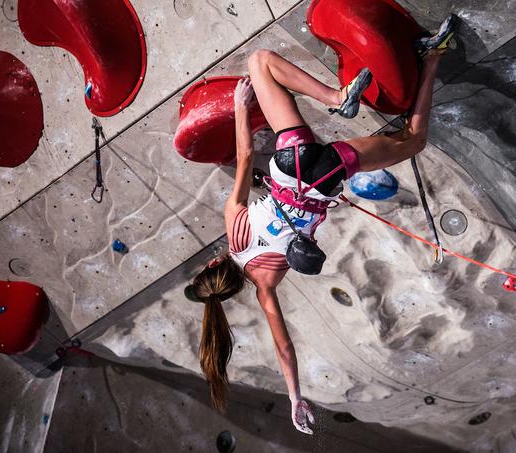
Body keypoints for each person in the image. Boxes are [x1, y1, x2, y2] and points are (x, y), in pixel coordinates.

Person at [191, 15, 458, 434]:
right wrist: (242, 108)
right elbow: (244, 157)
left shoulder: (265, 286)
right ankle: (335, 97)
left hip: (325, 174)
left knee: (414, 141)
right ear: (212, 266)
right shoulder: (233, 225)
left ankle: (433, 57)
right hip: (292, 160)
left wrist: (296, 397)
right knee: (260, 62)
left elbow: (283, 347)